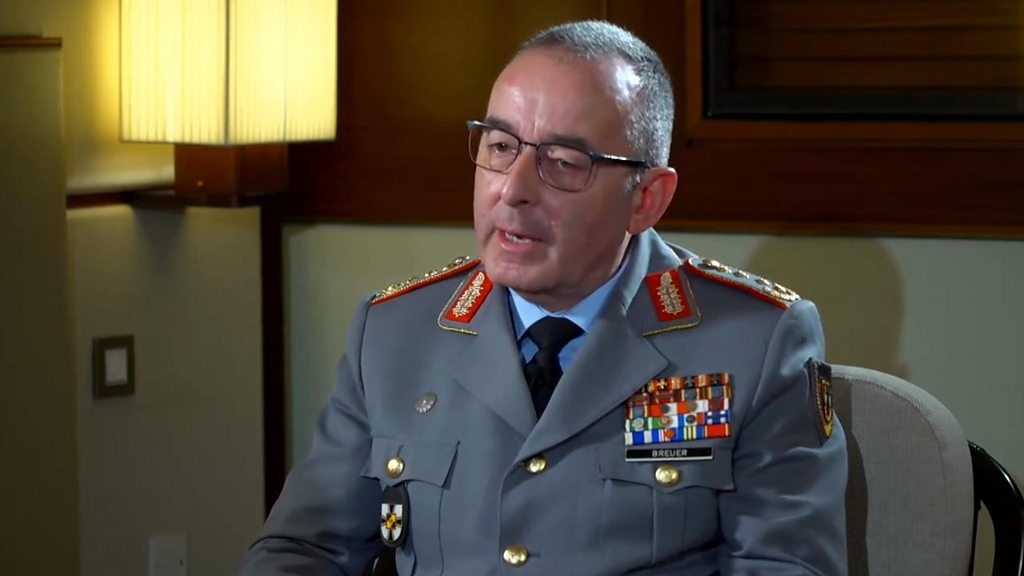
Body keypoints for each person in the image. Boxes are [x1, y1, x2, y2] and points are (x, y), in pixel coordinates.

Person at [240, 20, 847, 576]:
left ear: (646, 199)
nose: (513, 190)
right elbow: (305, 550)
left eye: (562, 162)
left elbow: (786, 566)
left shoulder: (754, 341)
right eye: (501, 147)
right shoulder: (395, 331)